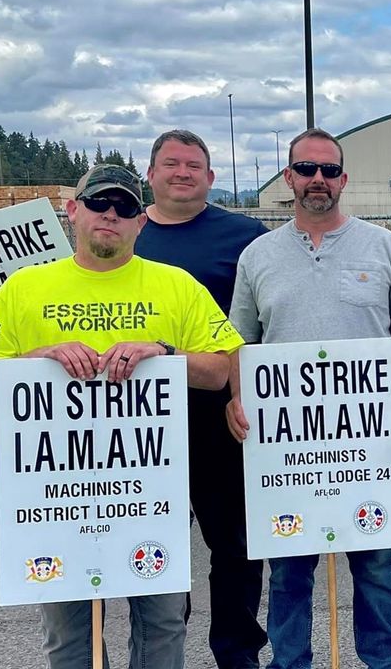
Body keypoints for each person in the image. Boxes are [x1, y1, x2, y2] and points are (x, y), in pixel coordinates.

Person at [0, 164, 243, 669]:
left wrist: (163, 352)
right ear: (73, 212)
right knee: (70, 637)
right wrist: (37, 359)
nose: (110, 216)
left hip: (147, 493)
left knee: (161, 626)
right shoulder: (25, 287)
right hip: (57, 498)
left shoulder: (177, 286)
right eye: (98, 204)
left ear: (141, 223)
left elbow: (220, 370)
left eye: (126, 208)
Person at [225, 127, 391, 669]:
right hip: (287, 451)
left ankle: (386, 660)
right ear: (289, 178)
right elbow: (240, 342)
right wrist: (236, 397)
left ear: (343, 179)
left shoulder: (384, 248)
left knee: (375, 567)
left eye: (329, 170)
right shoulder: (257, 256)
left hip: (366, 445)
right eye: (306, 169)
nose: (318, 179)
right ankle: (290, 661)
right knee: (290, 569)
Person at [136, 129, 271, 668]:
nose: (183, 173)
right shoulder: (125, 232)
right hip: (139, 424)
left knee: (236, 548)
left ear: (211, 178)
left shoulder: (245, 237)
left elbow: (261, 324)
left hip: (220, 418)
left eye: (194, 165)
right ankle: (160, 652)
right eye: (171, 164)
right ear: (151, 174)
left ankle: (237, 653)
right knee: (149, 544)